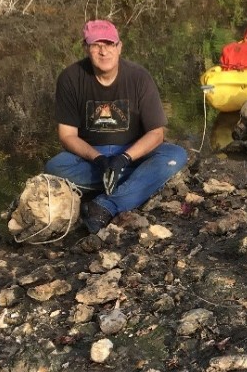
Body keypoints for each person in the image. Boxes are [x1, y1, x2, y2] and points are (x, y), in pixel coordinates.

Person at [45, 20, 188, 233]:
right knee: (54, 168)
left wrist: (124, 159)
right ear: (86, 48)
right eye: (96, 45)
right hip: (92, 158)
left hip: (133, 153)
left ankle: (105, 205)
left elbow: (156, 133)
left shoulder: (139, 77)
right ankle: (138, 182)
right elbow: (66, 135)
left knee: (175, 155)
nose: (103, 51)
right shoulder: (70, 78)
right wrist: (99, 160)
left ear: (119, 47)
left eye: (109, 44)